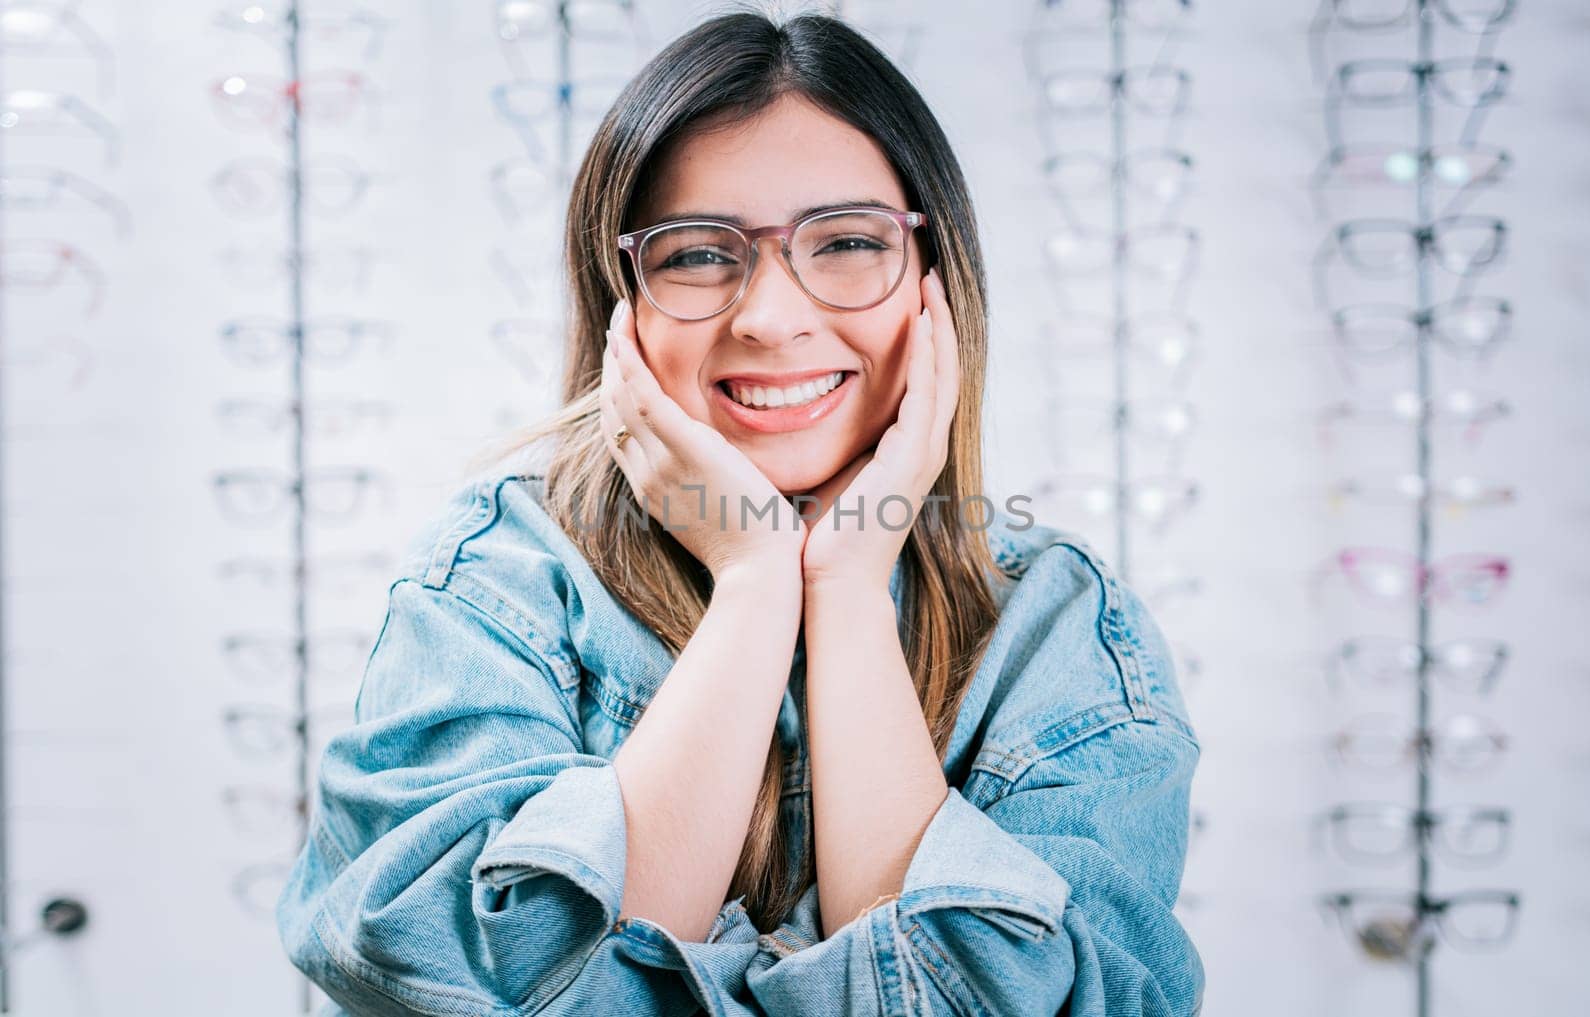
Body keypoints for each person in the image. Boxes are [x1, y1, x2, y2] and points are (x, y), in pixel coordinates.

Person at [276, 7, 1205, 1015]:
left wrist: (845, 585)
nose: (768, 317)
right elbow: (480, 989)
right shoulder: (496, 583)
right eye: (697, 255)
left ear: (937, 284)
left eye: (847, 242)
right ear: (619, 297)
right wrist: (756, 581)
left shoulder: (1059, 627)